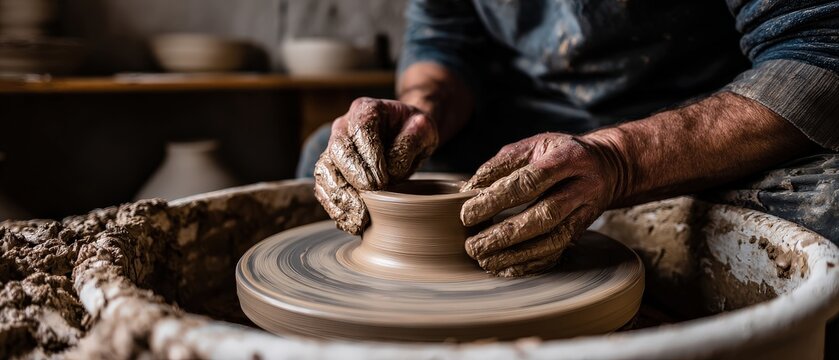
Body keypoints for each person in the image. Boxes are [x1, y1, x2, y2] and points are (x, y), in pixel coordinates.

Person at [298, 0, 838, 277]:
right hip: (524, 130)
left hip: (692, 130)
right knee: (334, 159)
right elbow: (445, 42)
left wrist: (617, 160)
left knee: (828, 210)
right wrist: (420, 111)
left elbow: (819, 52)